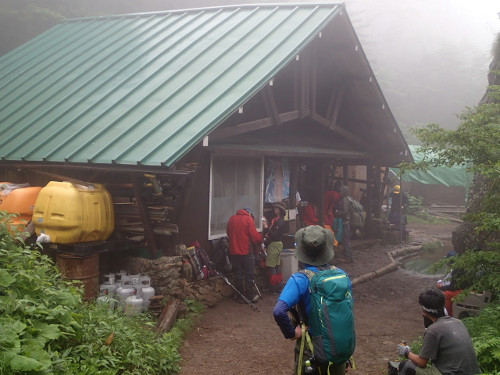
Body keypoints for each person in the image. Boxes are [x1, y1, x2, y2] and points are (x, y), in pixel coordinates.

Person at [273, 225, 352, 375]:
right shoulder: (341, 276)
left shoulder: (300, 279)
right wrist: (345, 353)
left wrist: (291, 333)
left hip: (312, 348)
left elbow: (279, 311)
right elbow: (345, 315)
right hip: (338, 347)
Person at [396, 287, 480, 375]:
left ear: (424, 310)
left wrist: (406, 352)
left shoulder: (433, 330)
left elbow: (421, 362)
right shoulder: (458, 322)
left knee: (405, 366)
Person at [226, 207, 263, 303]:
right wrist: (261, 239)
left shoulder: (231, 219)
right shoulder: (248, 219)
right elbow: (254, 236)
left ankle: (239, 295)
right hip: (246, 251)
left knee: (238, 273)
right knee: (249, 273)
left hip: (233, 252)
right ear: (249, 213)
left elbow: (228, 233)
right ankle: (249, 295)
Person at [262, 202, 287, 294]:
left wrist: (266, 227)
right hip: (276, 244)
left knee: (271, 266)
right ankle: (278, 286)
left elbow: (275, 235)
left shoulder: (279, 221)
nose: (275, 209)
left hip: (274, 244)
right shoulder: (276, 220)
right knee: (277, 265)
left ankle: (272, 288)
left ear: (280, 210)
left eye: (276, 208)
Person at [335, 185, 354, 262]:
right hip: (348, 221)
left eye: (340, 191)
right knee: (346, 240)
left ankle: (347, 258)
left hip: (345, 222)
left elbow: (345, 212)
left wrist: (337, 213)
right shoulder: (350, 199)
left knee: (345, 240)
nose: (339, 192)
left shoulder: (345, 200)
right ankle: (349, 257)